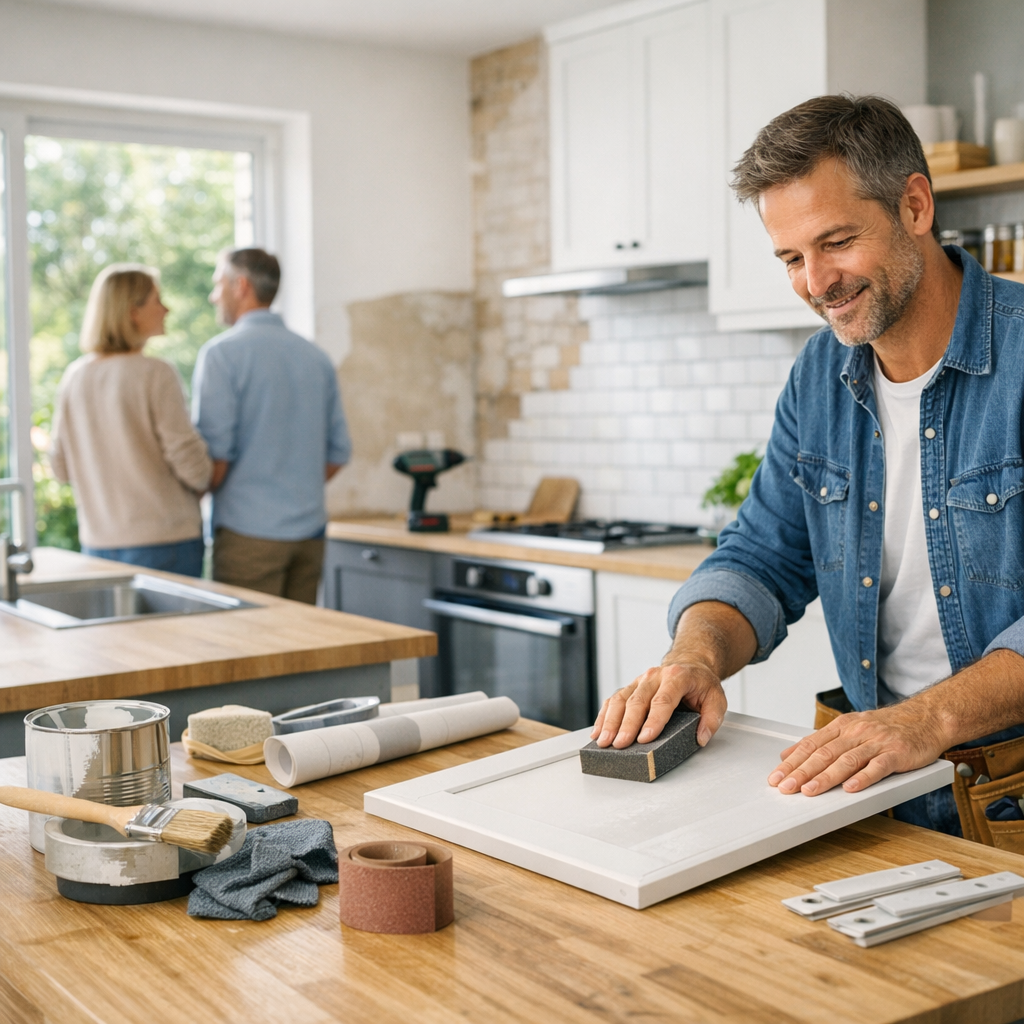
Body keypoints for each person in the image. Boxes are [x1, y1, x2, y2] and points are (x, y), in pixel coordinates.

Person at [591, 95, 1024, 837]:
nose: (815, 282)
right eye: (791, 257)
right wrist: (695, 656)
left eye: (837, 242)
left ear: (915, 205)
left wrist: (926, 720)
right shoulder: (820, 375)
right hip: (876, 783)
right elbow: (761, 556)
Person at [192, 248, 351, 604]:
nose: (213, 295)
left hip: (248, 537)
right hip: (309, 536)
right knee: (297, 652)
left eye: (219, 284)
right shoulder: (315, 357)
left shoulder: (222, 354)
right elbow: (340, 451)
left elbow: (215, 460)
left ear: (241, 285)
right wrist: (293, 485)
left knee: (250, 651)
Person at [50, 264, 212, 577]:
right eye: (156, 300)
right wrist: (207, 476)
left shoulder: (75, 376)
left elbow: (60, 467)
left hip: (99, 542)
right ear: (132, 311)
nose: (166, 309)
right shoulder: (156, 373)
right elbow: (189, 460)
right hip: (166, 541)